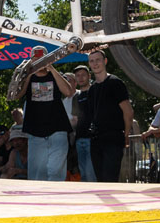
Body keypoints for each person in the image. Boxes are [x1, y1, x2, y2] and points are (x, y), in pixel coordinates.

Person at [19, 46, 75, 180]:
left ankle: (55, 193)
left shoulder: (55, 75)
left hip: (58, 130)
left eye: (42, 59)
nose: (39, 62)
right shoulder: (27, 78)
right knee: (37, 175)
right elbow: (17, 95)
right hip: (35, 131)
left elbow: (68, 92)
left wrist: (51, 68)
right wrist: (28, 73)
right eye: (36, 59)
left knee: (56, 172)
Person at [77, 50, 133, 182]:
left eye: (98, 60)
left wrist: (126, 134)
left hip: (113, 138)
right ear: (89, 64)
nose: (95, 63)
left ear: (105, 61)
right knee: (100, 181)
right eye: (92, 61)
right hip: (96, 140)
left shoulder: (115, 82)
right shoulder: (92, 89)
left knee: (110, 179)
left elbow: (128, 111)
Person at [70, 65, 96, 182]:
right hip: (79, 139)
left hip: (92, 139)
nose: (80, 78)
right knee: (83, 174)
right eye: (78, 75)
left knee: (91, 174)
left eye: (83, 75)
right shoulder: (76, 96)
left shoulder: (95, 91)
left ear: (89, 76)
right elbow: (75, 119)